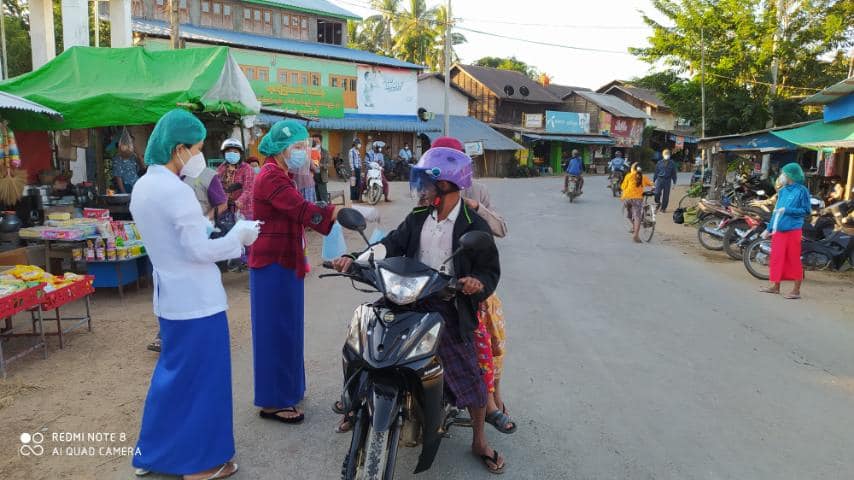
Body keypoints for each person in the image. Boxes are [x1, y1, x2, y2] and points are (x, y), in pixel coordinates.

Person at [333, 147, 505, 474]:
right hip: (407, 295)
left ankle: (479, 439)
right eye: (422, 183)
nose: (422, 190)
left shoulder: (474, 225)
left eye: (428, 183)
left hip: (446, 303)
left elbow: (489, 272)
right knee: (362, 335)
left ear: (447, 186)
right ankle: (352, 406)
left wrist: (474, 283)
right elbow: (388, 246)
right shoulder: (417, 217)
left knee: (470, 372)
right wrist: (356, 259)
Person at [129, 109, 260, 480]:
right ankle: (202, 464)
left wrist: (206, 230)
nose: (200, 157)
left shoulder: (144, 187)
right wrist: (238, 238)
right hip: (198, 303)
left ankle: (152, 453)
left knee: (171, 381)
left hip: (169, 299)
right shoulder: (177, 192)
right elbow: (198, 252)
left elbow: (176, 239)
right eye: (197, 149)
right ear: (179, 149)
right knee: (205, 383)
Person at [249, 120, 339, 425]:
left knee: (289, 328)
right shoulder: (271, 177)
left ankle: (290, 389)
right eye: (298, 147)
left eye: (305, 146)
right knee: (276, 331)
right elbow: (300, 209)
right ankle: (274, 402)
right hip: (273, 263)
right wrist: (334, 215)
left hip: (286, 260)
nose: (303, 152)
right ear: (281, 148)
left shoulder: (281, 174)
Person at [432, 136, 515, 435]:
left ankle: (493, 405)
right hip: (433, 284)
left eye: (450, 162)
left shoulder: (478, 191)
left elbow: (502, 229)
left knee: (489, 340)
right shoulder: (430, 192)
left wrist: (476, 207)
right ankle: (359, 401)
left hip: (472, 285)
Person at [760, 163, 811, 300]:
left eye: (784, 173)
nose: (781, 176)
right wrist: (769, 228)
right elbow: (776, 212)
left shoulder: (802, 191)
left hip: (793, 230)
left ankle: (796, 290)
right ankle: (775, 287)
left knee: (793, 259)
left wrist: (788, 210)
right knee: (776, 258)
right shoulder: (782, 191)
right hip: (778, 230)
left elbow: (806, 211)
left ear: (791, 176)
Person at [216, 138, 255, 220]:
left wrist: (240, 201)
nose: (232, 154)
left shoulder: (247, 168)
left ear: (240, 154)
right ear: (224, 154)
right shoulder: (221, 168)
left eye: (235, 152)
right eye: (229, 152)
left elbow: (249, 188)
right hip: (225, 209)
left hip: (245, 211)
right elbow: (218, 187)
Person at [621, 162, 654, 243]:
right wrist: (653, 187)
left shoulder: (628, 176)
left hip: (627, 198)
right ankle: (636, 234)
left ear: (632, 169)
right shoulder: (643, 177)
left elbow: (623, 187)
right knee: (637, 217)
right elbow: (651, 184)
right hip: (637, 199)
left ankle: (634, 226)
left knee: (629, 215)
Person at [654, 149, 679, 213]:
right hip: (659, 179)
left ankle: (663, 208)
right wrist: (654, 181)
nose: (666, 155)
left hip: (667, 180)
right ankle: (658, 203)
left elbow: (674, 173)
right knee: (656, 193)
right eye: (665, 154)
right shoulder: (659, 163)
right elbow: (656, 172)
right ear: (663, 155)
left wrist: (674, 183)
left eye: (668, 154)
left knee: (666, 196)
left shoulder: (672, 163)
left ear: (670, 155)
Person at [312, 137, 331, 203]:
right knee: (315, 197)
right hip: (312, 177)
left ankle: (325, 210)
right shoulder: (309, 151)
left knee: (323, 197)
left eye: (317, 142)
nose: (316, 144)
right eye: (314, 142)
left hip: (322, 177)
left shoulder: (325, 152)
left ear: (321, 142)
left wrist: (322, 165)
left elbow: (329, 164)